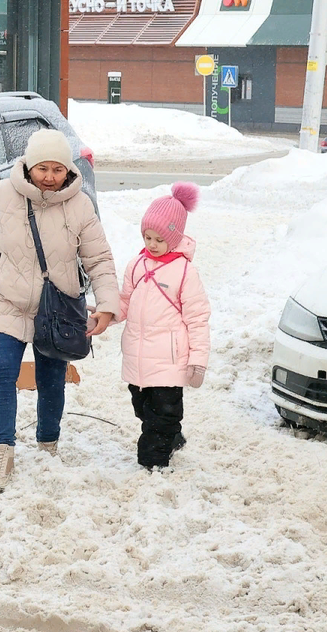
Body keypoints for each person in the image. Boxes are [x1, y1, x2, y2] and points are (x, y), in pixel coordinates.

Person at [0, 129, 120, 492]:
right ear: (29, 166)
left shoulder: (80, 206)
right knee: (2, 375)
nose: (49, 176)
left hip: (57, 309)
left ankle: (48, 444)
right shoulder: (2, 194)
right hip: (5, 301)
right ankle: (3, 452)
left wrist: (108, 306)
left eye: (58, 169)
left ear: (68, 170)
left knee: (51, 380)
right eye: (43, 168)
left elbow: (98, 259)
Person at [119, 181, 211, 470]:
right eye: (147, 237)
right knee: (143, 408)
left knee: (163, 413)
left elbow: (197, 319)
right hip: (137, 357)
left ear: (173, 237)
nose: (152, 244)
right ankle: (170, 435)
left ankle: (153, 461)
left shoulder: (185, 272)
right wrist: (104, 315)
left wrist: (198, 360)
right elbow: (123, 302)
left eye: (159, 238)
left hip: (170, 359)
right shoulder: (136, 265)